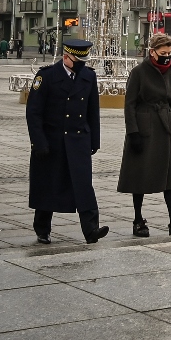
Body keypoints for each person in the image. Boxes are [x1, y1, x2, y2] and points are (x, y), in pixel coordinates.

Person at [26, 39, 109, 245]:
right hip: (52, 142)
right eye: (78, 60)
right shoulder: (46, 76)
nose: (82, 64)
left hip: (78, 140)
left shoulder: (88, 76)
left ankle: (91, 230)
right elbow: (33, 113)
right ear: (66, 58)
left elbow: (92, 112)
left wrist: (94, 140)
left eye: (84, 60)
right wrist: (39, 143)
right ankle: (42, 229)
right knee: (49, 186)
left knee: (84, 186)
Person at [117, 33, 171, 238]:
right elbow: (129, 104)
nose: (167, 57)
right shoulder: (139, 72)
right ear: (152, 52)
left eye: (169, 53)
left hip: (165, 127)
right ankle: (138, 220)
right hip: (144, 128)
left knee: (168, 177)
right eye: (163, 53)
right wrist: (133, 132)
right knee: (139, 175)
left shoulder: (170, 72)